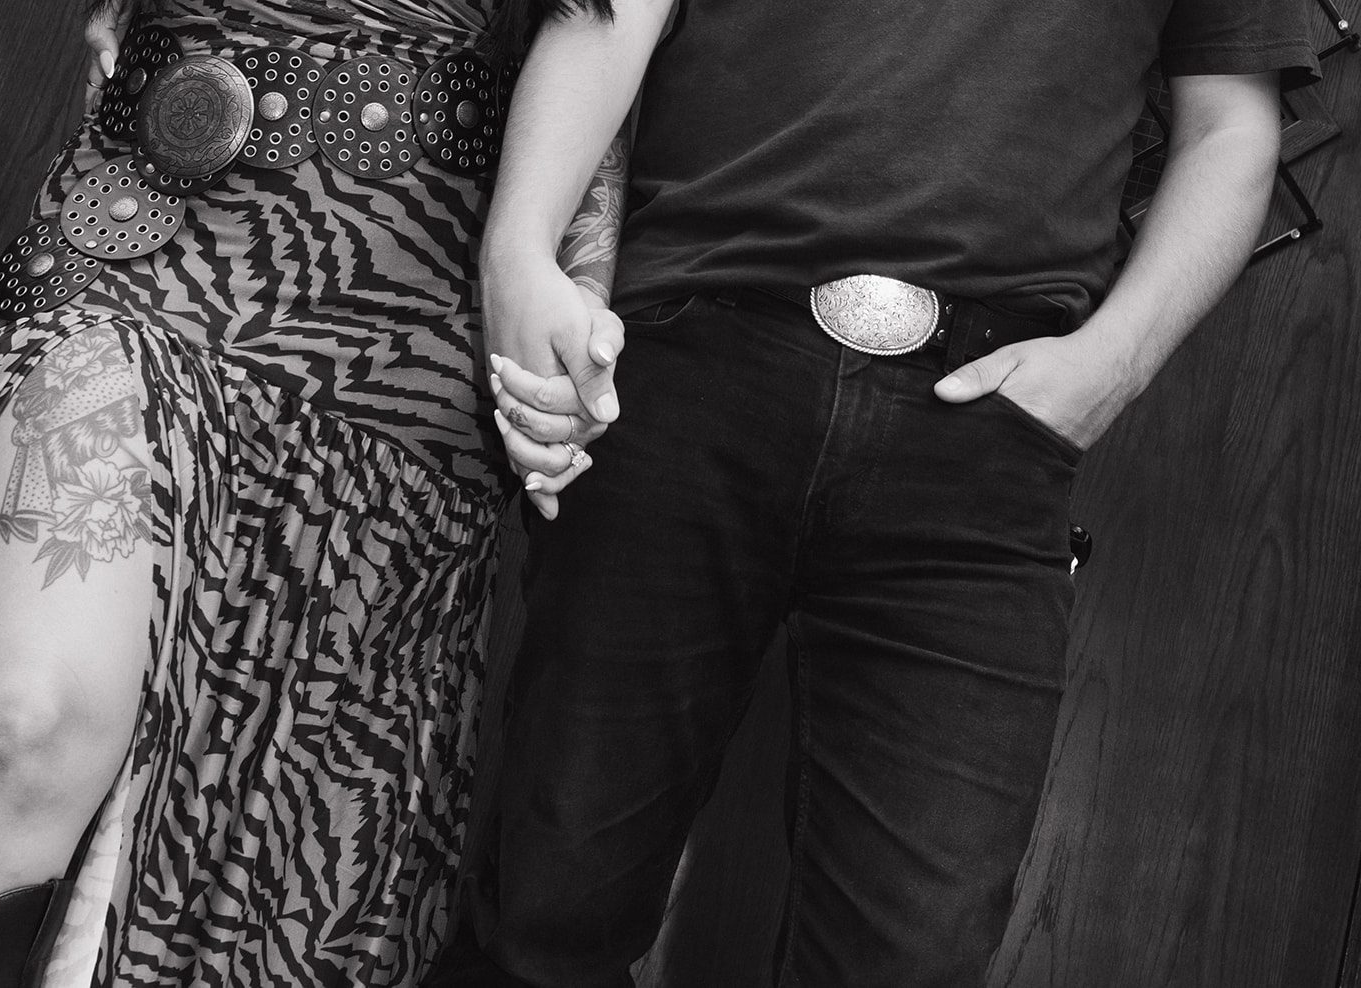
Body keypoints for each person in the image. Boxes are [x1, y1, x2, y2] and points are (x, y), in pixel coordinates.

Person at [438, 0, 1320, 985]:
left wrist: (1111, 364)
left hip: (982, 436)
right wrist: (515, 251)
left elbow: (1229, 126)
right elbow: (610, 12)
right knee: (550, 911)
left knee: (911, 954)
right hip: (684, 369)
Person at [0, 0, 622, 985]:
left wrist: (572, 286)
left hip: (403, 346)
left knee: (254, 891)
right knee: (19, 720)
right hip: (147, 254)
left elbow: (607, 53)